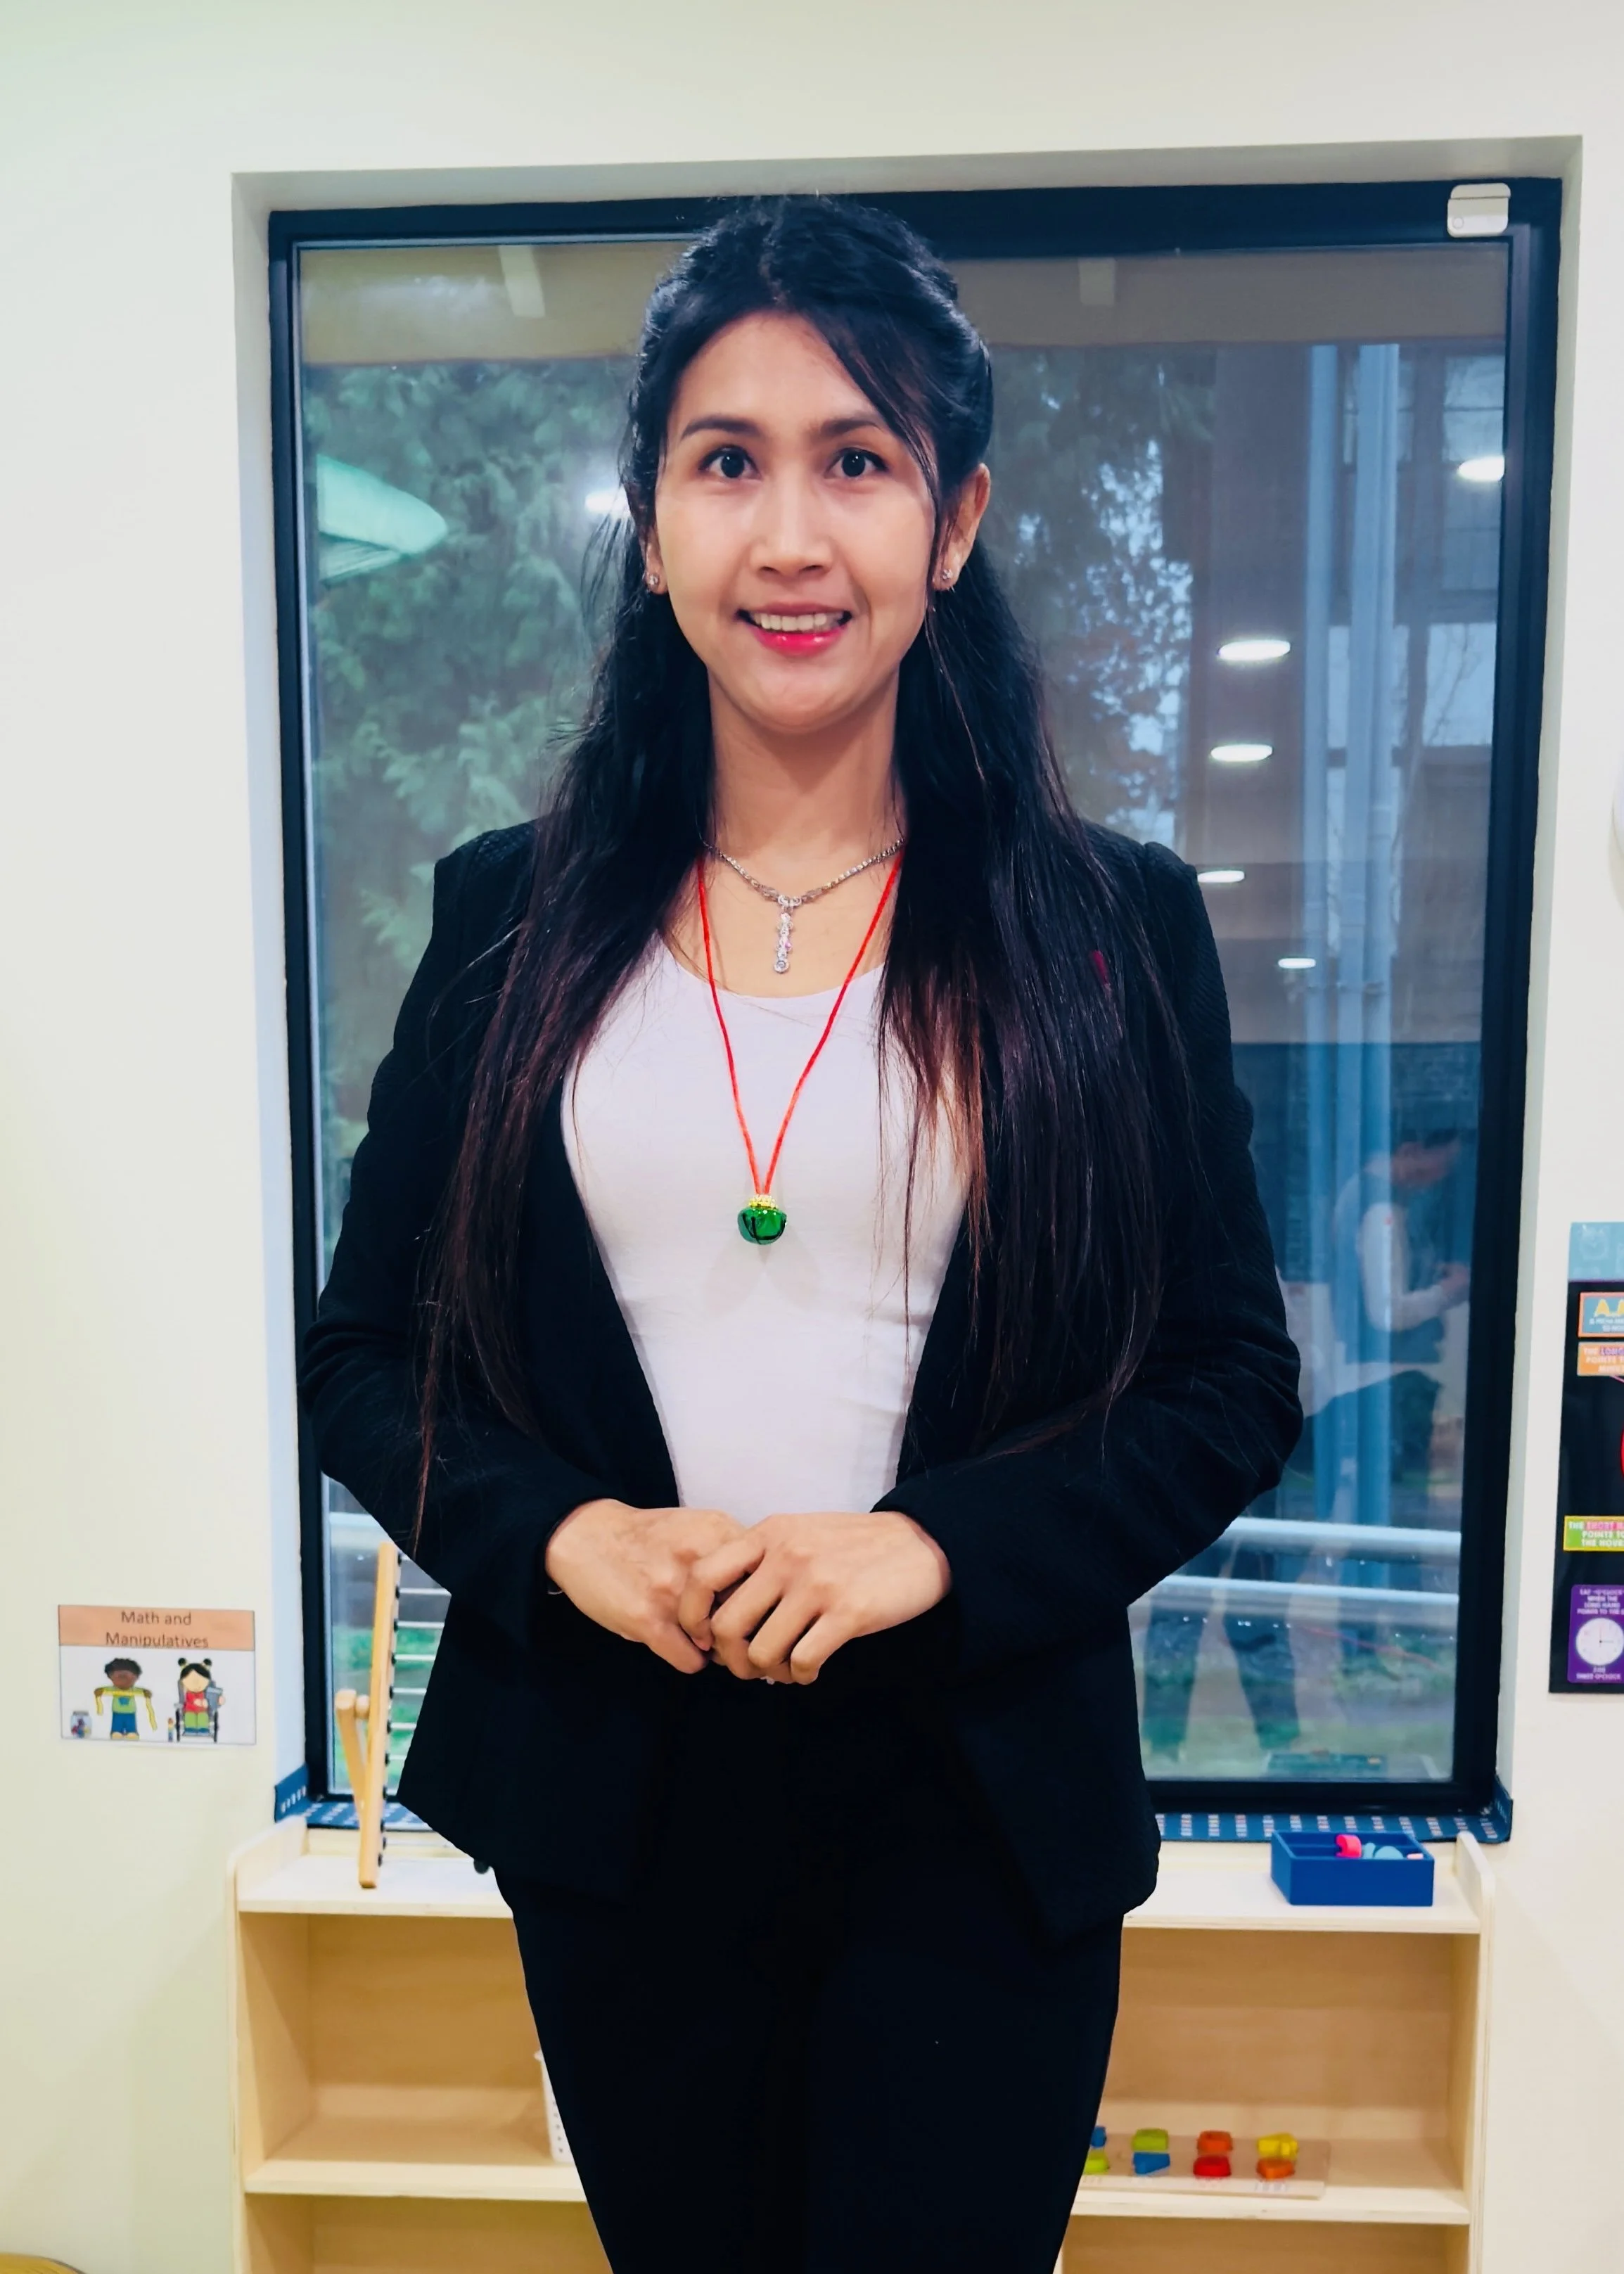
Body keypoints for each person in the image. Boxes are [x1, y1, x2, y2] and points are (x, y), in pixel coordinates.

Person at [299, 197, 1300, 2274]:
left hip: (974, 1801)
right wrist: (563, 1535)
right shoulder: (508, 913)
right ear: (650, 519)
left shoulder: (1102, 927)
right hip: (617, 1794)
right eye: (724, 460)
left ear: (951, 524)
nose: (787, 535)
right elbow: (361, 1356)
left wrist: (931, 1541)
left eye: (856, 461)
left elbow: (1224, 1382)